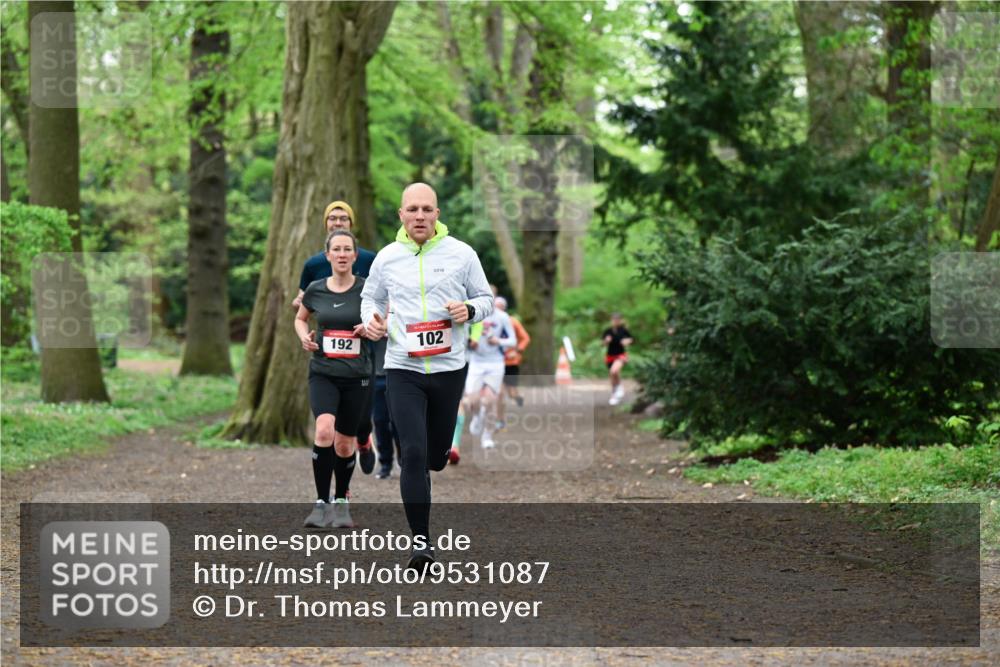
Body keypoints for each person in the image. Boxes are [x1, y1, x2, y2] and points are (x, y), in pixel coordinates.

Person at [360, 182, 494, 571]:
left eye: (427, 209)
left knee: (435, 457)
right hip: (403, 367)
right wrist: (371, 321)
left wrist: (468, 310)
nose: (420, 216)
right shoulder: (386, 258)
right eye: (412, 209)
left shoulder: (462, 254)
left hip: (449, 369)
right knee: (413, 454)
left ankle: (432, 465)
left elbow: (485, 299)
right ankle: (421, 544)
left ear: (437, 214)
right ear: (401, 215)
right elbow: (370, 298)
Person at [295, 229, 374, 529]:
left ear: (355, 255)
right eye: (336, 249)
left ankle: (341, 501)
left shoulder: (368, 289)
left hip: (356, 377)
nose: (342, 254)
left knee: (343, 443)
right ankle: (320, 503)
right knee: (324, 430)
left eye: (347, 250)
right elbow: (300, 318)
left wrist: (371, 328)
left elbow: (385, 318)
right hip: (323, 373)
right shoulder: (316, 289)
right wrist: (305, 338)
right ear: (327, 255)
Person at [458, 297, 515, 454]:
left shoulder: (502, 317)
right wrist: (471, 343)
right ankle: (477, 416)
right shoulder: (473, 314)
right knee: (472, 400)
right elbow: (462, 336)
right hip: (476, 362)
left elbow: (513, 341)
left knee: (490, 400)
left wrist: (498, 341)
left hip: (495, 363)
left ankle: (487, 437)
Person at [496, 296, 530, 429]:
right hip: (496, 363)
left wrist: (518, 350)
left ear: (504, 308)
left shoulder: (513, 322)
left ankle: (517, 397)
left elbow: (525, 338)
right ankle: (500, 420)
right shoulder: (489, 322)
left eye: (500, 307)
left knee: (511, 393)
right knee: (500, 393)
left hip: (511, 362)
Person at [603, 312, 634, 405]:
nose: (615, 321)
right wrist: (606, 341)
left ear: (620, 320)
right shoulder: (608, 331)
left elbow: (631, 339)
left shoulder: (623, 330)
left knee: (614, 371)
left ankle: (618, 390)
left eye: (617, 320)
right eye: (614, 319)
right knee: (613, 375)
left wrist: (627, 341)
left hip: (620, 355)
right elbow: (603, 343)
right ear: (611, 320)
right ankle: (615, 393)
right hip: (610, 356)